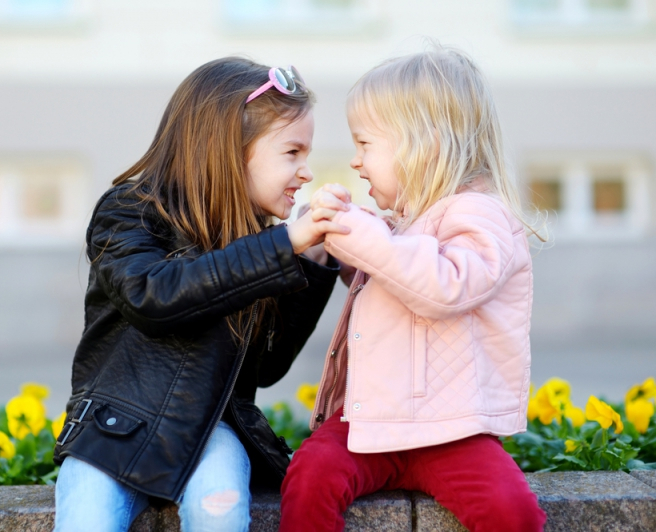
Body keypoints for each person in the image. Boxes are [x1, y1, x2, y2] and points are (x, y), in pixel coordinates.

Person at [53, 57, 351, 532]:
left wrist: (309, 267)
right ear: (230, 148)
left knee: (221, 505)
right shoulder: (129, 211)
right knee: (86, 517)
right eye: (292, 152)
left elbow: (265, 368)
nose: (306, 172)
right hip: (113, 429)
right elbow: (154, 296)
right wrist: (282, 246)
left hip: (215, 427)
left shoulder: (259, 237)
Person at [279, 47, 548, 532]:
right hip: (371, 423)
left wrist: (361, 235)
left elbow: (443, 287)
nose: (357, 163)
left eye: (364, 145)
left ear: (424, 144)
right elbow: (393, 286)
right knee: (310, 475)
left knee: (512, 512)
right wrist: (338, 253)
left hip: (453, 430)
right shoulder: (404, 222)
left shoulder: (480, 214)